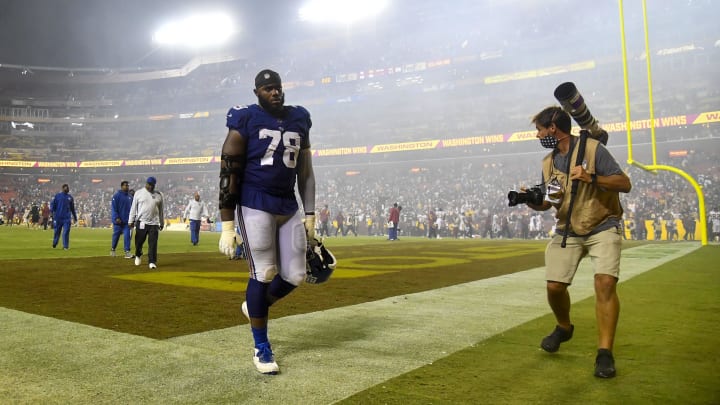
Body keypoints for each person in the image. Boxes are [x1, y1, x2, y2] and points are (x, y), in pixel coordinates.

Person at [217, 69, 316, 375]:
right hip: (255, 200)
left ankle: (255, 307)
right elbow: (228, 172)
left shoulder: (300, 117)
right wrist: (228, 224)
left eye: (278, 88)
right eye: (268, 88)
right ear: (257, 92)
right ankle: (261, 346)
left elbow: (306, 171)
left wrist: (310, 213)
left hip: (287, 203)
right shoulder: (244, 118)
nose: (275, 92)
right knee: (264, 272)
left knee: (296, 274)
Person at [525, 106, 631, 378]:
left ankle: (604, 353)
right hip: (567, 227)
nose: (537, 135)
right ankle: (564, 327)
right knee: (554, 286)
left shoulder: (594, 149)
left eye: (539, 129)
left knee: (605, 282)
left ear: (552, 128)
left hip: (602, 224)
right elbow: (553, 201)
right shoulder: (548, 162)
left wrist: (591, 177)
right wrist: (530, 200)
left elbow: (624, 183)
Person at [128, 177, 164, 269]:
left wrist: (161, 222)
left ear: (154, 185)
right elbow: (133, 208)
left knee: (153, 243)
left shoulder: (159, 195)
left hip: (154, 223)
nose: (150, 187)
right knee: (139, 242)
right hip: (142, 222)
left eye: (152, 185)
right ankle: (138, 254)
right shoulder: (139, 193)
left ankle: (152, 261)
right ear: (146, 184)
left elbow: (161, 210)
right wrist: (130, 221)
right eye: (149, 185)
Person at [50, 184, 78, 249]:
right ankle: (54, 244)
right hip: (58, 217)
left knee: (66, 232)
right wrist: (51, 213)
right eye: (66, 188)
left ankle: (65, 246)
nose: (67, 189)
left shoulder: (70, 197)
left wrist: (75, 217)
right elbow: (53, 205)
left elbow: (72, 208)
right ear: (62, 189)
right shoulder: (57, 196)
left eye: (68, 188)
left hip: (67, 218)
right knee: (57, 232)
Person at [111, 180, 134, 258]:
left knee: (127, 236)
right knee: (116, 236)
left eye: (128, 185)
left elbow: (133, 209)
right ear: (122, 186)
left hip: (127, 222)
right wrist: (116, 217)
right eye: (125, 185)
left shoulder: (130, 197)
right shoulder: (116, 196)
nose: (127, 187)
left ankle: (127, 252)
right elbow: (114, 208)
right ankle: (113, 249)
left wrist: (132, 220)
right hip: (118, 222)